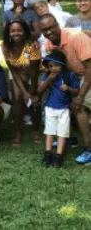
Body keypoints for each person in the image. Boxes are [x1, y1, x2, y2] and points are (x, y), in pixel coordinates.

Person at [39, 14, 91, 164]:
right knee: (62, 102)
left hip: (87, 74)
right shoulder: (49, 44)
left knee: (78, 107)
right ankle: (68, 138)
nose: (48, 32)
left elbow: (90, 69)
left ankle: (88, 149)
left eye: (51, 27)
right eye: (44, 30)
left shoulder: (76, 37)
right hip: (72, 77)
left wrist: (79, 96)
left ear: (57, 25)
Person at [1, 19, 43, 146]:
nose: (16, 33)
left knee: (33, 101)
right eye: (13, 31)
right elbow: (13, 70)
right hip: (18, 74)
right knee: (17, 98)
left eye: (19, 30)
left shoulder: (32, 45)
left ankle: (36, 130)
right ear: (9, 33)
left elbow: (35, 71)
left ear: (25, 31)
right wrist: (24, 92)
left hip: (34, 75)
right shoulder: (5, 46)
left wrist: (31, 93)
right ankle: (18, 133)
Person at [37, 51, 78, 168]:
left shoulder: (68, 75)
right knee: (49, 131)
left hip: (64, 108)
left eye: (56, 65)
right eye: (50, 66)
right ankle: (48, 153)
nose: (53, 68)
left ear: (62, 65)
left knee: (62, 132)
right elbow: (40, 90)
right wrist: (49, 80)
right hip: (50, 107)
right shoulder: (48, 75)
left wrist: (68, 88)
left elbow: (77, 91)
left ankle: (59, 155)